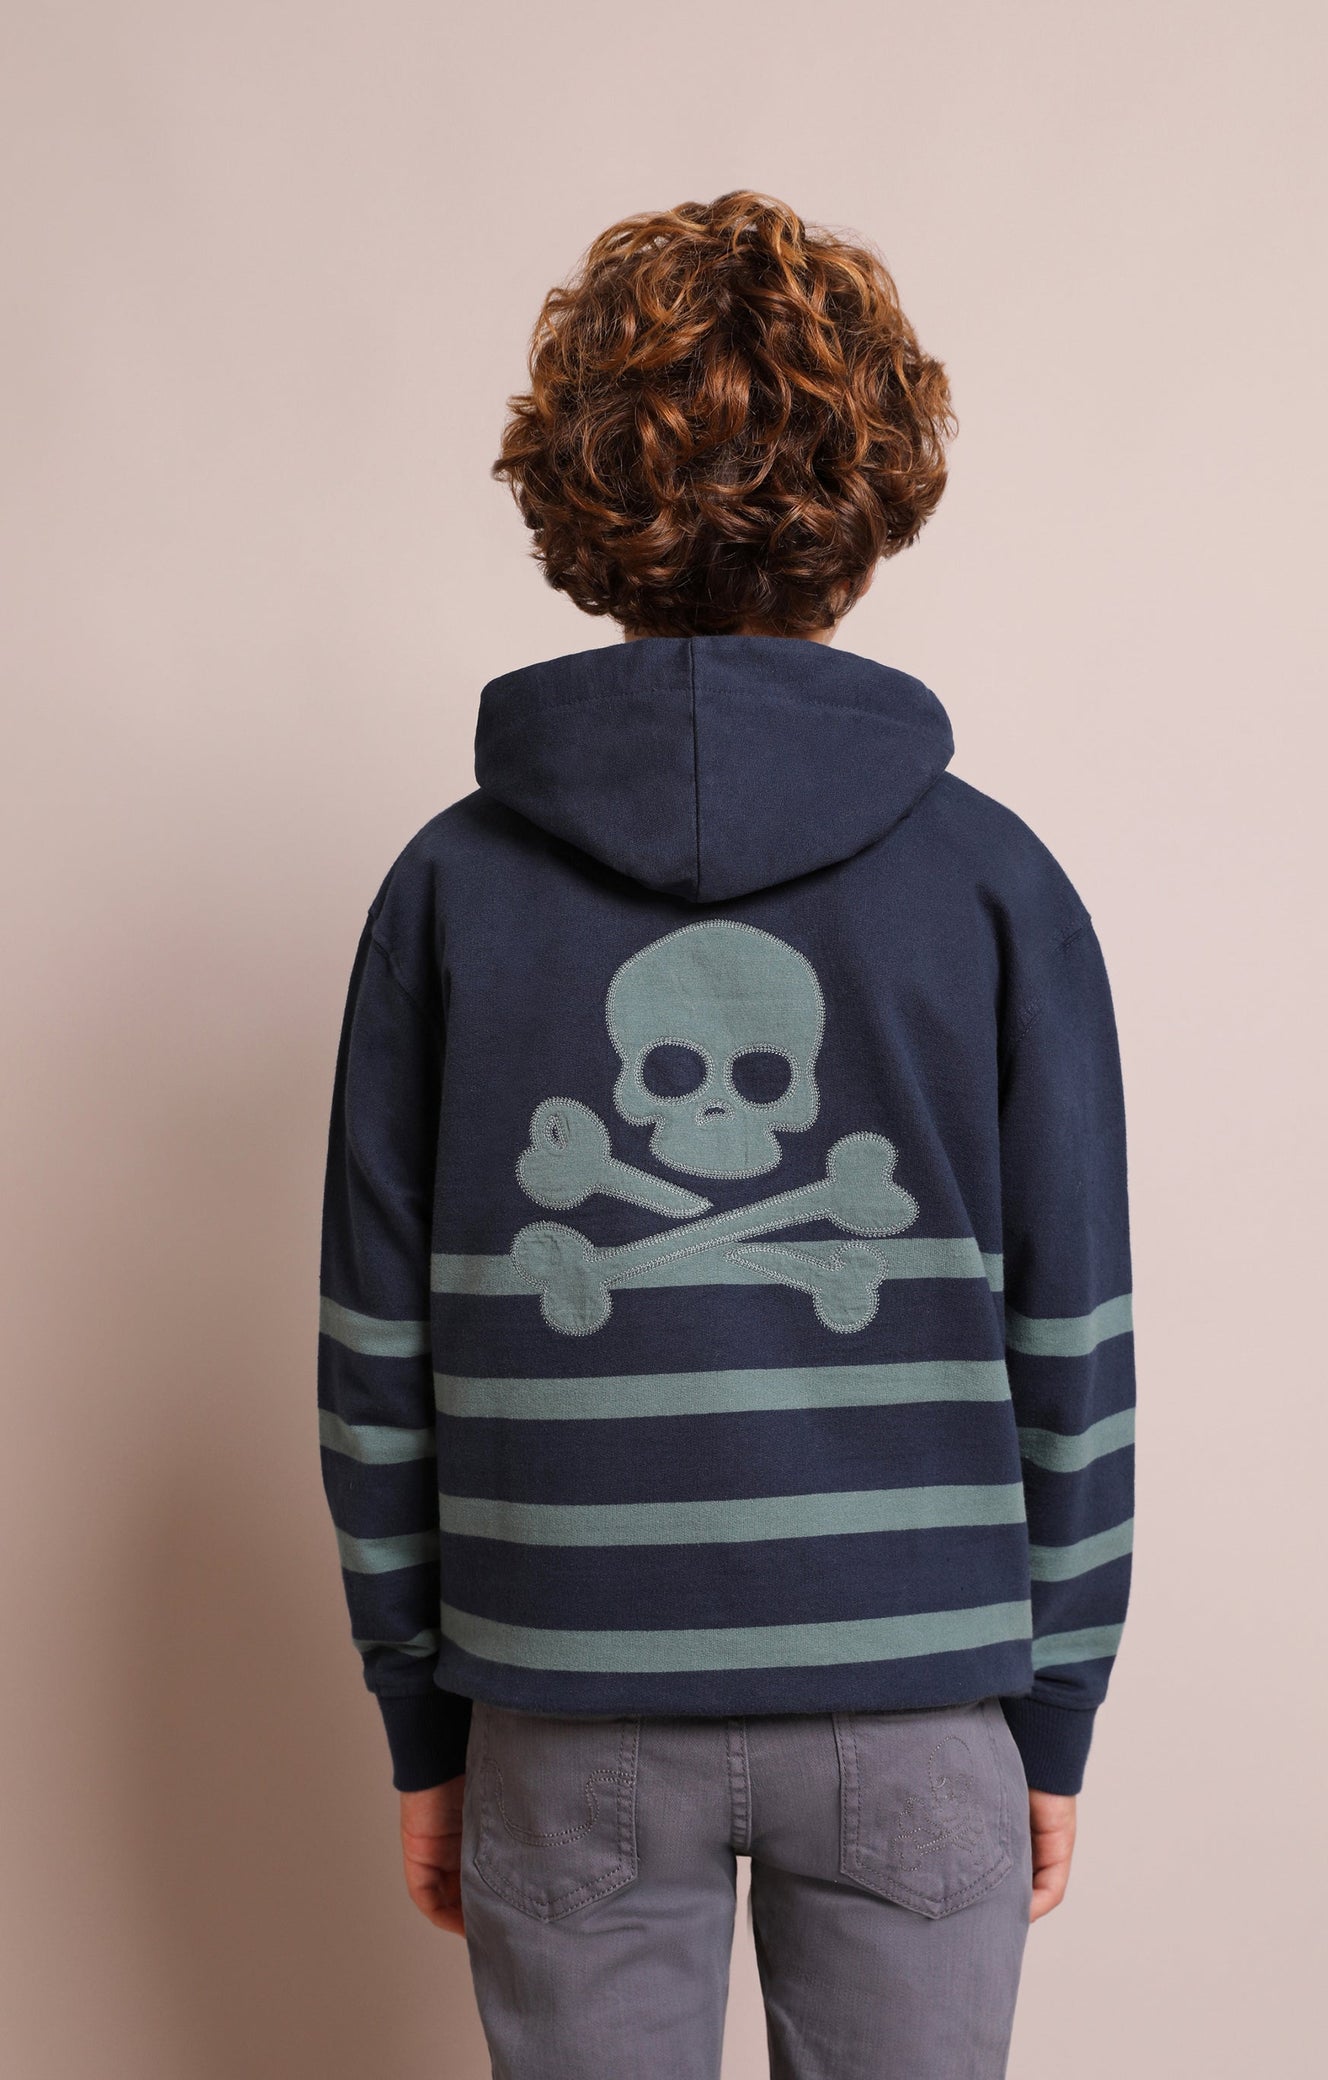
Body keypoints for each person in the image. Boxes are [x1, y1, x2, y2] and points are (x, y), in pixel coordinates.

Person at [317, 191, 1135, 2080]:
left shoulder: (447, 892)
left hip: (561, 1699)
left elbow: (374, 1358)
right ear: (875, 499)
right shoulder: (995, 887)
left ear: (577, 493)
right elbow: (1072, 1340)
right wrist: (1057, 1706)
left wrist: (422, 1715)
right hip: (920, 1699)